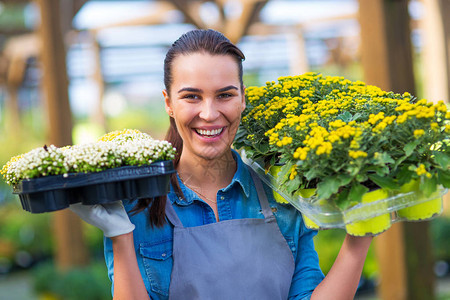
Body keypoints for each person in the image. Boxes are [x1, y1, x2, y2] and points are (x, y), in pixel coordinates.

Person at [70, 29, 372, 300]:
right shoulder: (138, 207)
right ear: (168, 103)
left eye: (224, 95)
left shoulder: (282, 193)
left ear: (242, 99)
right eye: (192, 97)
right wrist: (120, 235)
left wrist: (361, 236)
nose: (209, 113)